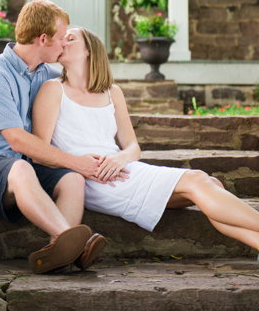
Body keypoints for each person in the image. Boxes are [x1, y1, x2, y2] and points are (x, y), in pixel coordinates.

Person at [33, 26, 259, 255]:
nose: (63, 43)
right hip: (96, 181)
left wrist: (120, 157)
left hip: (124, 170)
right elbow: (39, 150)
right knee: (199, 181)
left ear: (89, 50)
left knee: (212, 185)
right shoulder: (53, 90)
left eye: (70, 39)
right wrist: (78, 163)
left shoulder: (112, 92)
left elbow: (133, 147)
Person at [0, 0, 115, 273]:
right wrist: (76, 159)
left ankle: (59, 250)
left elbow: (83, 88)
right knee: (21, 167)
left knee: (72, 180)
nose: (65, 44)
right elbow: (16, 140)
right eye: (62, 39)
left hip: (27, 169)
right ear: (43, 39)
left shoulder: (48, 76)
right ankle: (76, 242)